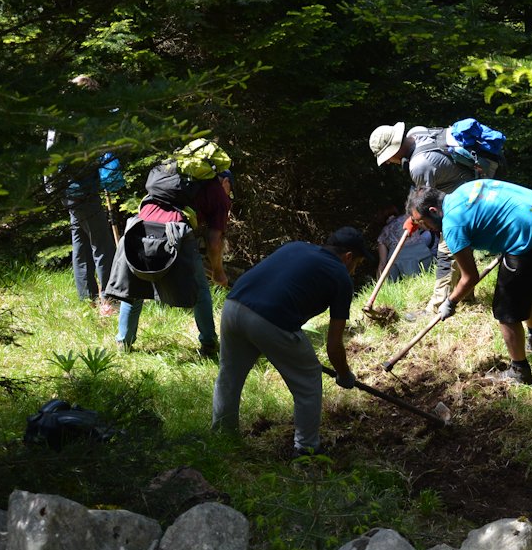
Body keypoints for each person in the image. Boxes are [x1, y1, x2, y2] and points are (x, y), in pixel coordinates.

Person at [210, 227, 373, 456]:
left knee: (229, 376)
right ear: (348, 257)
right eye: (356, 263)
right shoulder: (340, 276)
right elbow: (334, 345)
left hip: (233, 306)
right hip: (271, 320)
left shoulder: (296, 246)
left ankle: (222, 439)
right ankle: (306, 450)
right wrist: (344, 375)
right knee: (308, 380)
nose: (354, 270)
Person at [406, 180, 532, 385]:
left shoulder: (453, 225)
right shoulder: (463, 190)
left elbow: (470, 278)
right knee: (528, 292)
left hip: (528, 237)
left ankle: (519, 371)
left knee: (506, 312)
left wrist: (450, 302)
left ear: (433, 211)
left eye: (422, 222)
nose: (424, 229)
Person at [105, 140, 232, 358]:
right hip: (175, 233)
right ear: (224, 178)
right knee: (200, 291)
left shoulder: (167, 171)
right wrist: (219, 272)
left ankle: (123, 344)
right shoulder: (217, 192)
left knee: (133, 289)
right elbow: (214, 241)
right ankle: (209, 345)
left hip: (139, 227)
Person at [369, 121, 497, 316]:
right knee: (459, 250)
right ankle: (467, 297)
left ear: (394, 150)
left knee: (446, 252)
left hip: (468, 199)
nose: (388, 162)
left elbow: (425, 200)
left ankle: (436, 308)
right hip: (469, 191)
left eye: (386, 157)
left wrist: (413, 220)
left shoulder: (420, 164)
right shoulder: (417, 134)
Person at [46, 76, 123, 316]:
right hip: (82, 189)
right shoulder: (81, 120)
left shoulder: (60, 117)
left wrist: (50, 185)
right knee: (103, 245)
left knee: (80, 242)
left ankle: (86, 298)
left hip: (67, 190)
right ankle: (110, 300)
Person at [376, 209, 435, 283]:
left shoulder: (383, 234)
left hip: (399, 260)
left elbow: (382, 263)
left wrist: (378, 282)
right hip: (421, 251)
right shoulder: (408, 218)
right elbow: (427, 227)